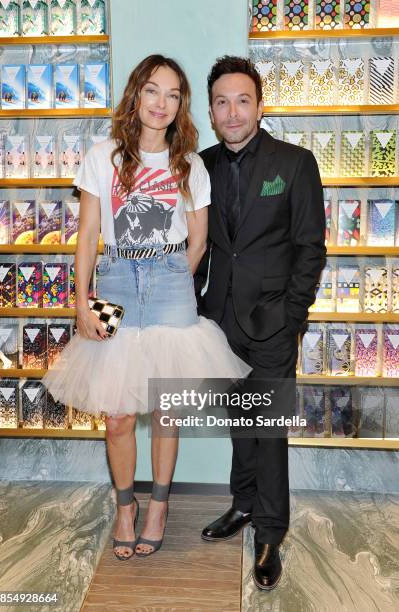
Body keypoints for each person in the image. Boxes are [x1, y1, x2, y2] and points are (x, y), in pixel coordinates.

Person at [43, 55, 250, 562]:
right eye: (153, 91)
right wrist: (81, 300)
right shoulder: (102, 157)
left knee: (167, 410)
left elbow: (198, 239)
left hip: (169, 285)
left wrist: (170, 275)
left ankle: (158, 505)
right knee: (117, 416)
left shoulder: (190, 165)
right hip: (113, 284)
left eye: (173, 94)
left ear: (181, 105)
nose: (162, 103)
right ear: (136, 95)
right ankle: (125, 507)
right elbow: (88, 234)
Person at [195, 56, 326, 591]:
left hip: (272, 322)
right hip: (217, 322)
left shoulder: (295, 163)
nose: (232, 112)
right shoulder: (197, 167)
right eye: (222, 102)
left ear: (260, 105)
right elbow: (196, 244)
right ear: (210, 110)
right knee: (240, 423)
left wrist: (291, 317)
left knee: (268, 431)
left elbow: (310, 249)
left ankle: (271, 533)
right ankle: (244, 505)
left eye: (242, 100)